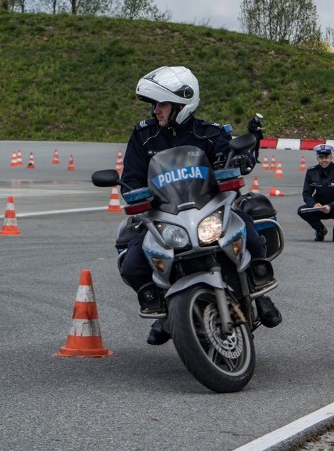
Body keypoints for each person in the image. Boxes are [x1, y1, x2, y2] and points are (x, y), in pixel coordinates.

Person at [120, 66, 282, 345]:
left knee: (248, 229)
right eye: (155, 104)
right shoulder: (143, 135)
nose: (156, 110)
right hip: (166, 214)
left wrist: (237, 161)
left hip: (209, 207)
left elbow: (229, 154)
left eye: (162, 104)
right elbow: (132, 175)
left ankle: (259, 289)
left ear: (183, 104)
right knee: (132, 261)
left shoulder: (210, 133)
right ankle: (165, 308)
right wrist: (134, 193)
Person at [297, 144, 334, 242]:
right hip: (319, 207)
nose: (324, 160)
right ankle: (320, 230)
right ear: (317, 158)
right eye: (321, 157)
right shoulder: (311, 172)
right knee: (301, 210)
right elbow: (306, 193)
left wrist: (331, 206)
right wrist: (313, 205)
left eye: (326, 157)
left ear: (331, 157)